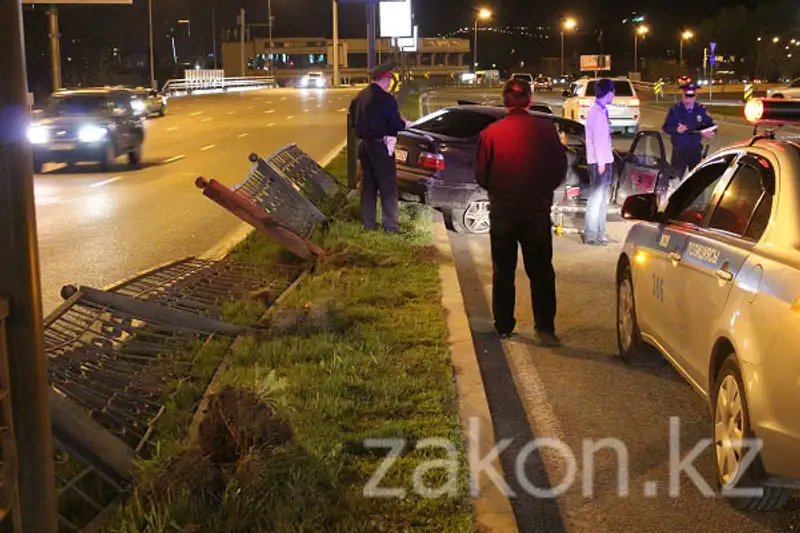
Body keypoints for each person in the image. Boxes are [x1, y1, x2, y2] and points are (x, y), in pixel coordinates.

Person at [476, 79, 568, 347]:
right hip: (536, 212)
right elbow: (559, 170)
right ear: (529, 100)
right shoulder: (546, 131)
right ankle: (545, 329)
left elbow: (481, 175)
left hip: (503, 212)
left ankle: (504, 325)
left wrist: (501, 190)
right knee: (541, 271)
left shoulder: (490, 134)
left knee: (503, 271)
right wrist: (541, 191)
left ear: (504, 102)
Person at [350, 59, 408, 233]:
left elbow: (353, 121)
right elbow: (396, 125)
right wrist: (404, 123)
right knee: (388, 186)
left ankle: (368, 224)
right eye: (390, 81)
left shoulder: (359, 96)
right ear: (387, 80)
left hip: (364, 146)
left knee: (368, 185)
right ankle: (391, 227)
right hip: (380, 147)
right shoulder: (385, 99)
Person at [584, 78, 616, 246]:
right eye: (613, 91)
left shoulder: (602, 111)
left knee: (603, 200)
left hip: (605, 161)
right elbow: (596, 140)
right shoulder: (595, 112)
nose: (614, 95)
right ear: (608, 92)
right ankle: (591, 235)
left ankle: (601, 234)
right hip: (598, 163)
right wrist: (602, 163)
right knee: (595, 199)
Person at [662, 83, 716, 178]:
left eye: (691, 96)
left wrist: (710, 133)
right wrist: (676, 129)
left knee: (696, 180)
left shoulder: (701, 110)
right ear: (682, 96)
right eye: (686, 95)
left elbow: (712, 126)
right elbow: (666, 127)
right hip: (679, 152)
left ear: (695, 96)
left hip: (695, 152)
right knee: (675, 181)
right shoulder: (675, 110)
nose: (688, 99)